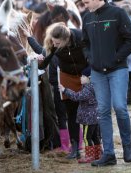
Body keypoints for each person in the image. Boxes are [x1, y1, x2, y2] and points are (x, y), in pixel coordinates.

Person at [77, 0, 131, 166]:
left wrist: (115, 58)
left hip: (118, 69)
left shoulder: (117, 14)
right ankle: (109, 154)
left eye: (86, 1)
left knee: (120, 107)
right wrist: (90, 58)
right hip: (97, 72)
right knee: (102, 111)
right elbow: (84, 43)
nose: (84, 5)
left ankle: (127, 147)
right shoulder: (87, 18)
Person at [37, 22, 88, 159]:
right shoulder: (53, 42)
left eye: (58, 43)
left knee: (90, 110)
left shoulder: (81, 36)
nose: (55, 46)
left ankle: (93, 146)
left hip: (85, 76)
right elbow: (46, 61)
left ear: (66, 40)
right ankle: (75, 148)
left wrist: (88, 74)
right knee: (71, 113)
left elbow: (92, 56)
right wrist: (39, 60)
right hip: (67, 76)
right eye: (53, 42)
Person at [59, 67, 101, 163]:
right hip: (95, 118)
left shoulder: (88, 90)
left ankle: (89, 156)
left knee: (87, 137)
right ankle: (98, 154)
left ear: (89, 78)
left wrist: (65, 90)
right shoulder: (94, 87)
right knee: (95, 137)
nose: (80, 78)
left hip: (88, 119)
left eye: (83, 76)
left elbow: (76, 96)